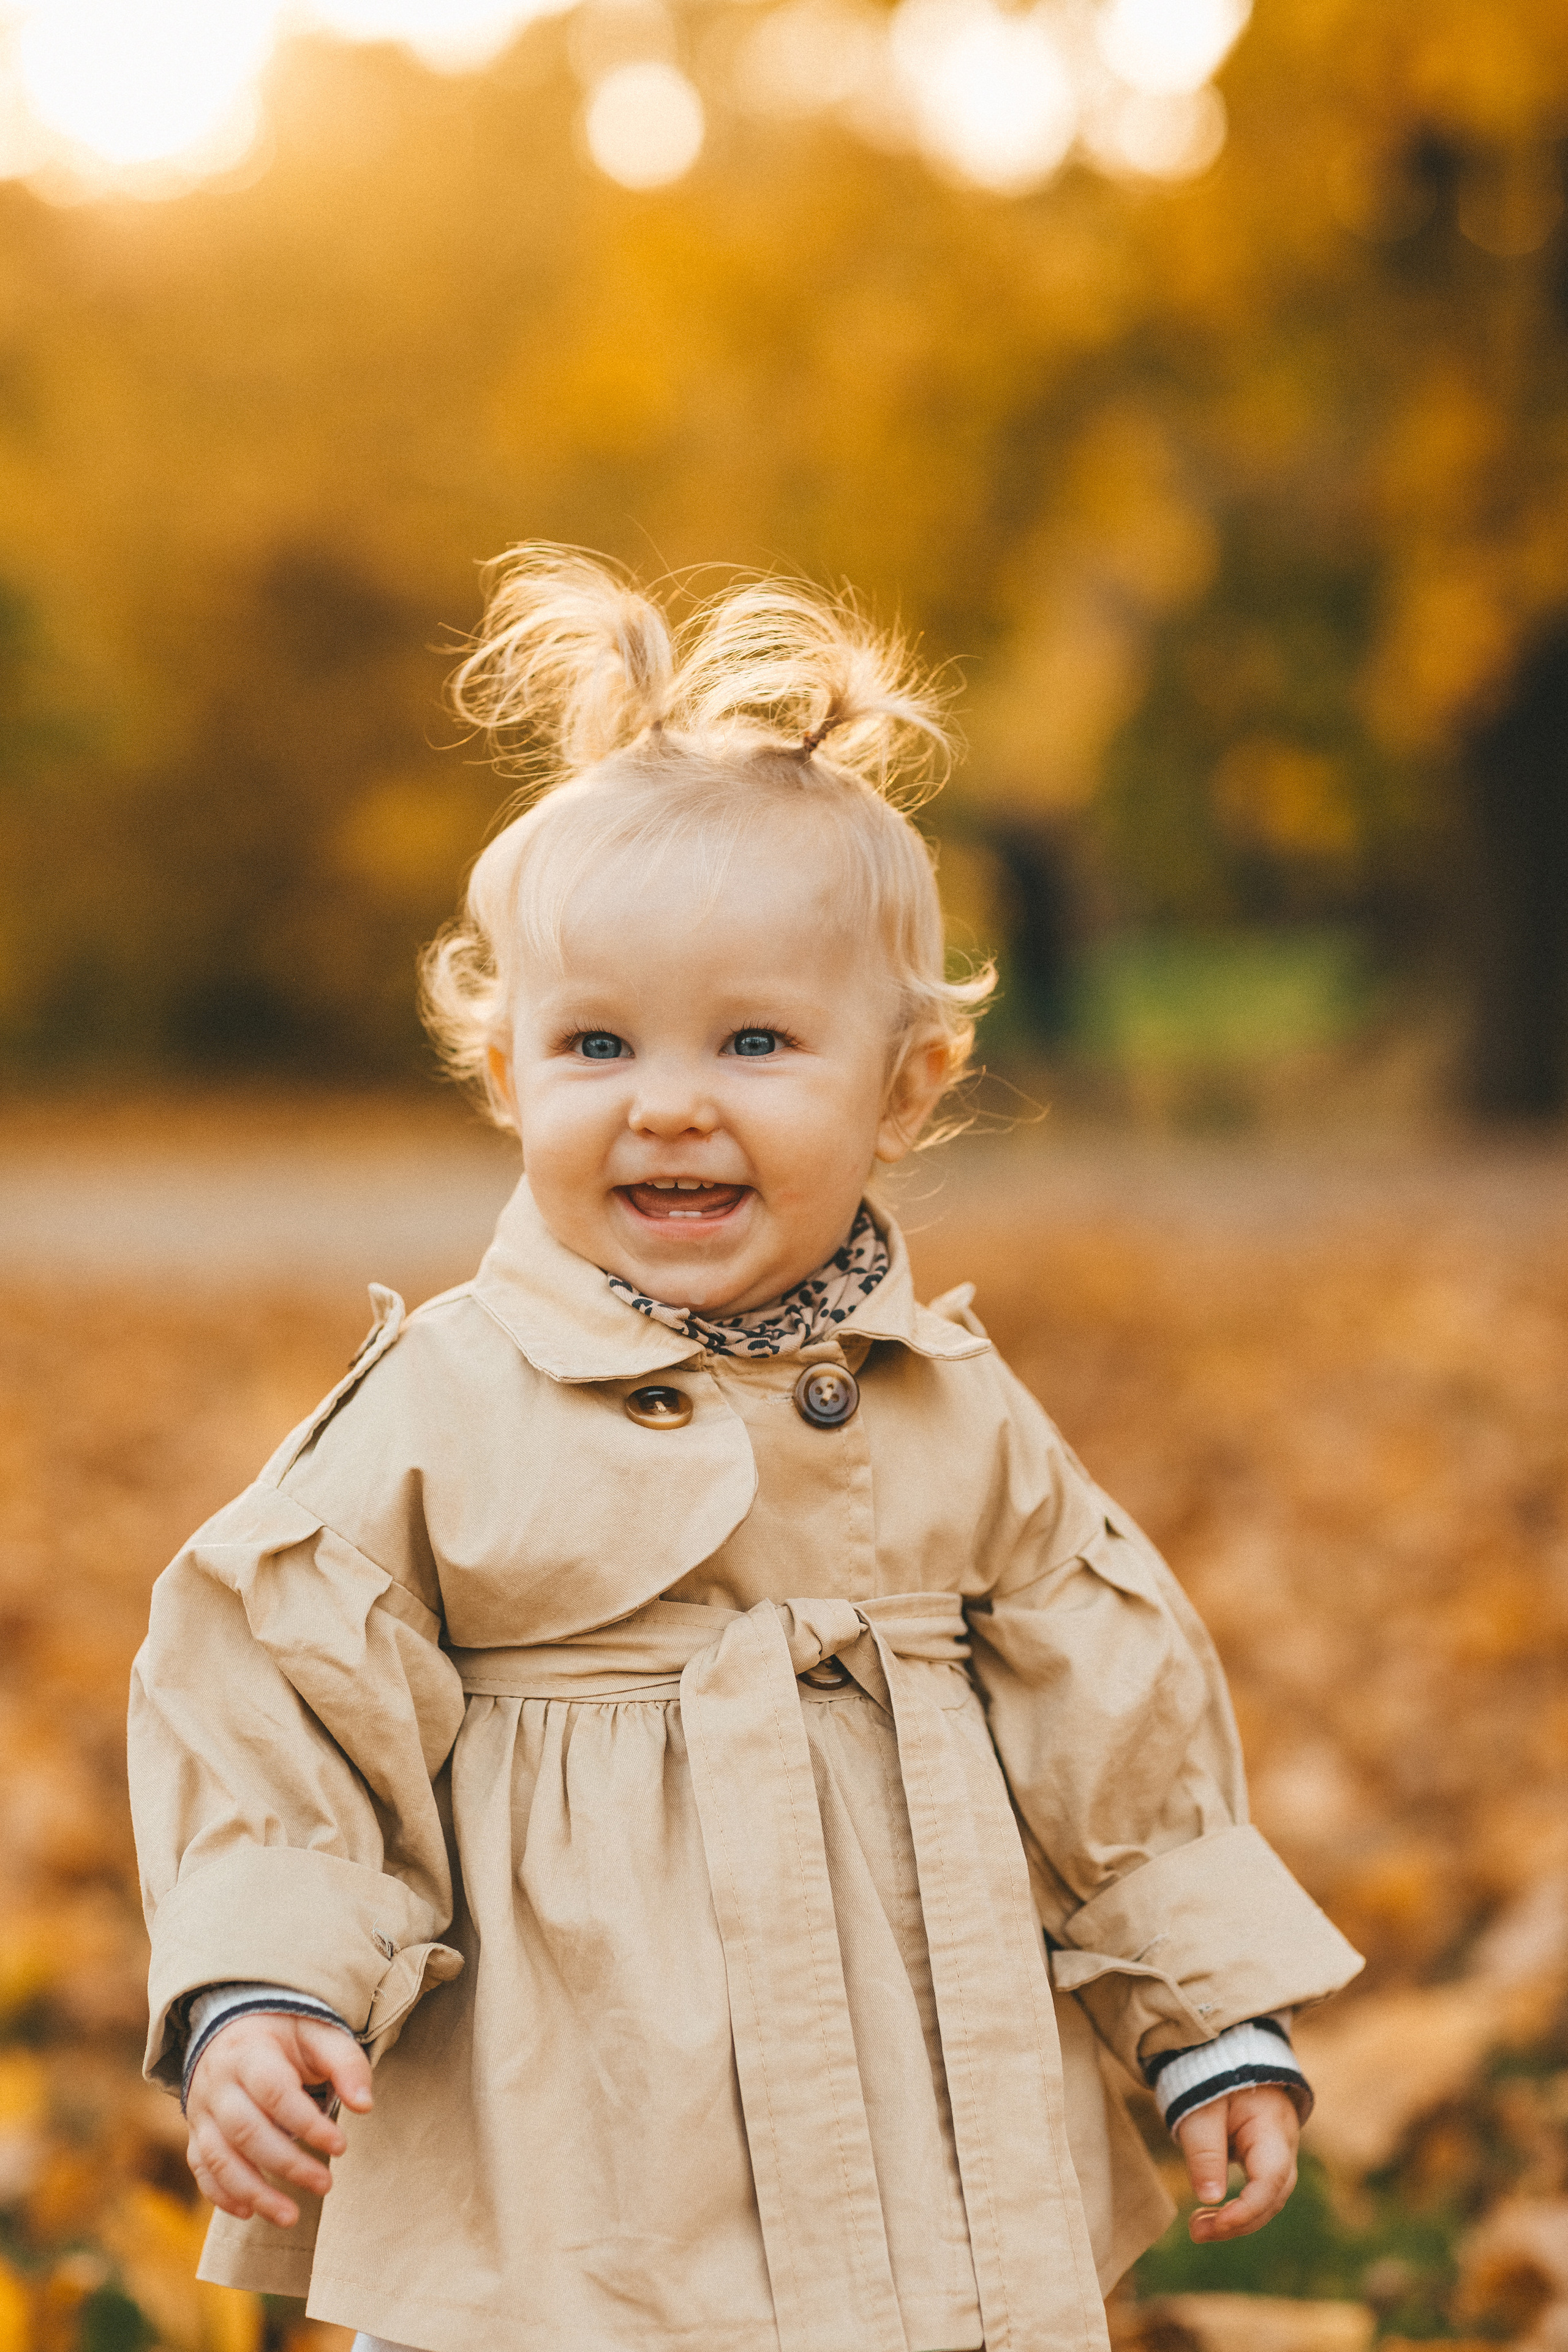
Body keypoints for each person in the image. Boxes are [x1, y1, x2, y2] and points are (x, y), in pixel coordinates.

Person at [129, 548, 1363, 2352]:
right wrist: (264, 1983)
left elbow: (1117, 1723)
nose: (670, 1099)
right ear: (508, 1073)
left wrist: (1206, 2020)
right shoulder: (447, 1407)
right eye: (597, 1043)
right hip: (569, 2153)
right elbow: (283, 1691)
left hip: (917, 2122)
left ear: (905, 1083)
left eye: (757, 1039)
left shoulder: (960, 1415)